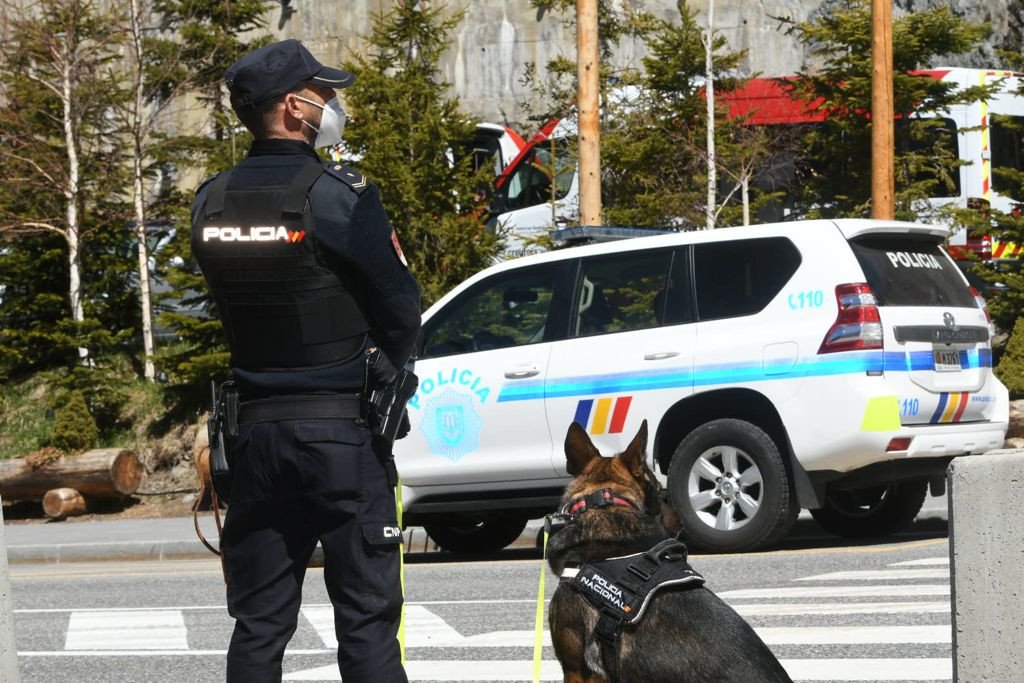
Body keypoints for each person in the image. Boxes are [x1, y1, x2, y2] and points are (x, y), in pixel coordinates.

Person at [190, 39, 420, 683]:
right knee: (368, 623)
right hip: (342, 433)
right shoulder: (338, 195)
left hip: (255, 437)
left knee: (259, 624)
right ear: (294, 107)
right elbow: (401, 310)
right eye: (324, 95)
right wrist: (386, 372)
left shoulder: (211, 201)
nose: (332, 106)